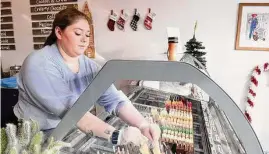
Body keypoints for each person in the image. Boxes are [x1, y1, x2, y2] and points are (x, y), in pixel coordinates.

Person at [13, 8, 160, 146]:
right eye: (78, 33)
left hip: (66, 131)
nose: (84, 40)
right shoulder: (39, 64)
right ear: (59, 32)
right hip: (32, 138)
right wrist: (116, 136)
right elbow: (72, 111)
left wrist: (143, 124)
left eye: (88, 35)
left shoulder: (89, 66)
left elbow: (113, 99)